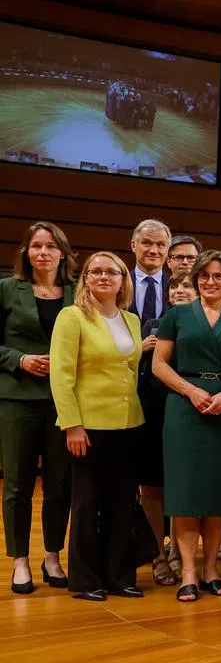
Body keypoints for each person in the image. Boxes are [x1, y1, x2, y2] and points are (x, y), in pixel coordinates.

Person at [151, 251, 221, 602]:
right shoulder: (176, 314)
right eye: (204, 276)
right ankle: (189, 572)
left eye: (218, 276)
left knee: (216, 493)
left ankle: (211, 569)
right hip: (183, 408)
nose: (211, 282)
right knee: (184, 494)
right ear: (195, 278)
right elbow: (159, 365)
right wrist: (190, 390)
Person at [50, 251, 145, 601]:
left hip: (128, 423)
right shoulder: (71, 317)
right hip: (88, 426)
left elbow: (132, 373)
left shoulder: (131, 320)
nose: (104, 277)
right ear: (85, 278)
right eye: (96, 271)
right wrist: (72, 425)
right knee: (87, 505)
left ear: (123, 279)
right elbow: (61, 376)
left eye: (112, 272)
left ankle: (119, 576)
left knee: (123, 503)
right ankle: (87, 580)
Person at [0, 222, 76, 594]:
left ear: (62, 253)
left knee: (60, 483)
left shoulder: (78, 293)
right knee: (18, 484)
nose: (42, 252)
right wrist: (19, 358)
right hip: (17, 398)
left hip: (64, 402)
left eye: (50, 246)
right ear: (25, 252)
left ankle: (52, 556)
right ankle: (18, 561)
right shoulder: (6, 289)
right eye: (35, 246)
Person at [125, 218, 176, 586]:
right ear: (133, 245)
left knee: (167, 478)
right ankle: (143, 552)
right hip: (123, 393)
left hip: (172, 395)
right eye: (147, 243)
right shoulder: (116, 282)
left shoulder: (182, 286)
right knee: (135, 481)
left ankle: (169, 554)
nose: (153, 250)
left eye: (160, 245)